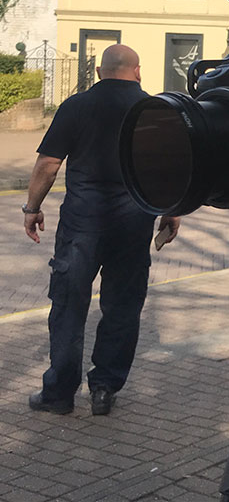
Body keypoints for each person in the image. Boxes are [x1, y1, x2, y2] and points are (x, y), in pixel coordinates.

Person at [23, 44, 180, 417]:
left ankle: (59, 394)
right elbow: (172, 168)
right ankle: (105, 389)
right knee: (123, 307)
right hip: (134, 223)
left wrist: (32, 208)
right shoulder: (154, 110)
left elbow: (48, 164)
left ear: (97, 71)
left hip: (82, 226)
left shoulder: (76, 106)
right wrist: (171, 212)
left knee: (68, 306)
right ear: (138, 71)